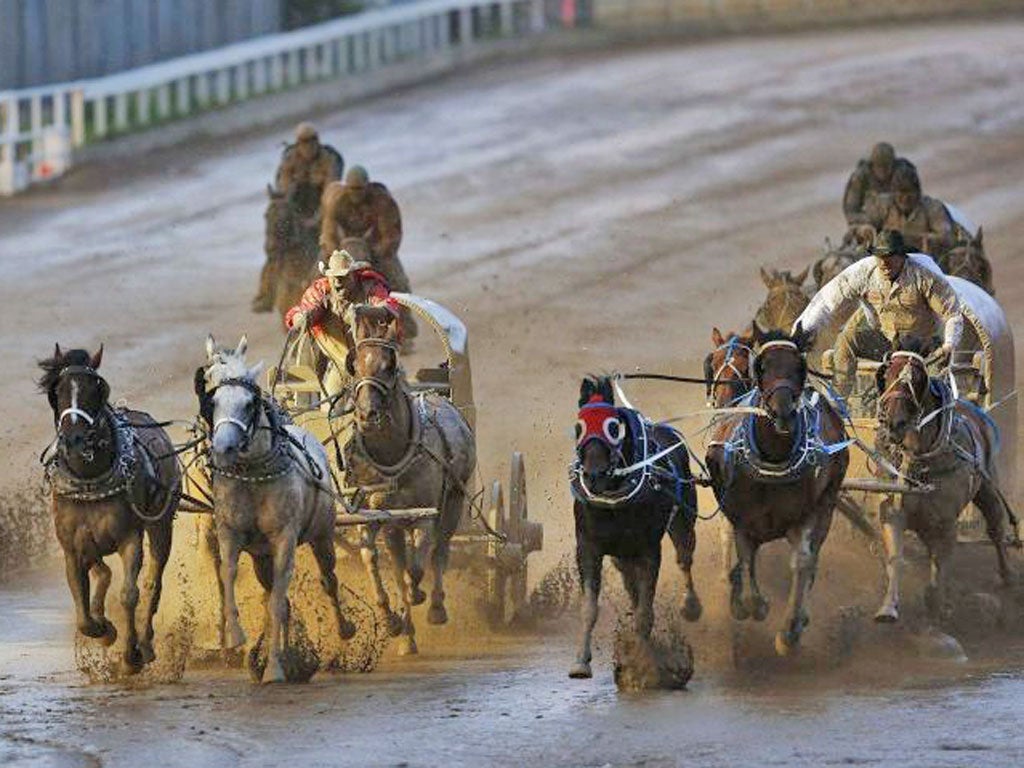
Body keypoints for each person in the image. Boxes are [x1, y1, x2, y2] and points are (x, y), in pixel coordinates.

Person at [795, 230, 963, 399]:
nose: (883, 262)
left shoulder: (924, 277)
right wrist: (801, 333)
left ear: (903, 256)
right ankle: (838, 399)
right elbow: (826, 302)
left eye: (889, 256)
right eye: (879, 256)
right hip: (886, 342)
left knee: (935, 390)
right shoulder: (863, 274)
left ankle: (938, 407)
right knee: (847, 339)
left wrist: (948, 345)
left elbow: (952, 314)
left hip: (922, 347)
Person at [286, 249, 401, 400]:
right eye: (334, 277)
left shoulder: (370, 288)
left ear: (354, 275)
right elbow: (300, 313)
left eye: (343, 277)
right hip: (341, 368)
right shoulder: (321, 292)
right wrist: (301, 318)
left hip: (375, 367)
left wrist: (364, 311)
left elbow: (389, 309)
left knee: (392, 402)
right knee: (331, 410)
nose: (338, 282)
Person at [252, 123, 343, 312]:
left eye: (311, 142)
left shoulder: (328, 160)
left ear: (317, 142)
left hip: (323, 207)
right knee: (276, 241)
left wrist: (317, 218)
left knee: (336, 241)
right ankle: (266, 292)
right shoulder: (290, 159)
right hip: (297, 209)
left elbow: (330, 191)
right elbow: (284, 188)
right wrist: (291, 216)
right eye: (303, 143)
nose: (307, 147)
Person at [320, 165, 418, 342]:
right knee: (317, 278)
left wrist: (376, 253)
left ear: (367, 186)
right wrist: (335, 255)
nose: (356, 193)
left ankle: (405, 329)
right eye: (352, 189)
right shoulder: (338, 201)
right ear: (346, 187)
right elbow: (328, 233)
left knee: (397, 282)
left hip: (376, 251)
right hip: (344, 252)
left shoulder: (382, 201)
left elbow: (392, 235)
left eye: (359, 189)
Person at [876, 163, 955, 259]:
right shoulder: (883, 206)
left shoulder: (932, 207)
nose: (905, 198)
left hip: (926, 260)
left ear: (918, 192)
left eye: (910, 192)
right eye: (901, 192)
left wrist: (916, 239)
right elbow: (866, 225)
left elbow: (946, 237)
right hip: (887, 260)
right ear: (893, 193)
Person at [842, 142, 912, 227]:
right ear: (872, 165)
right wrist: (870, 220)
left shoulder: (904, 174)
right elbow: (850, 212)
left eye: (886, 167)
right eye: (879, 167)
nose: (883, 171)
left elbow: (916, 207)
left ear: (893, 165)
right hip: (870, 223)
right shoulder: (861, 177)